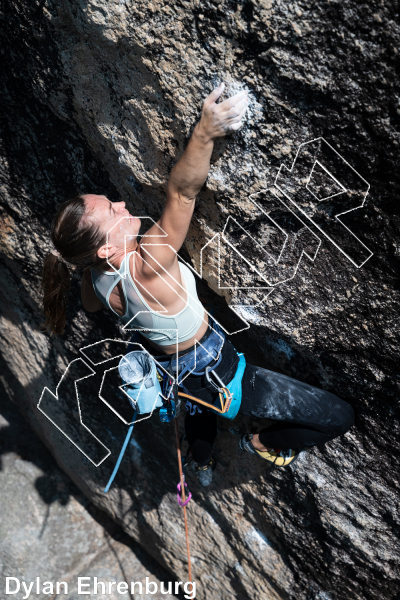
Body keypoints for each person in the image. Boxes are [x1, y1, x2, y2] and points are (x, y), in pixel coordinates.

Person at [41, 83, 354, 486]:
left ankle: (201, 458)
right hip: (225, 378)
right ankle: (260, 443)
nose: (120, 203)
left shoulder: (94, 279)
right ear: (103, 250)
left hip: (179, 375)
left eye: (112, 200)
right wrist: (205, 131)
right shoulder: (149, 261)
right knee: (340, 417)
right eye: (112, 211)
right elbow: (182, 192)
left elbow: (93, 305)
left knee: (199, 408)